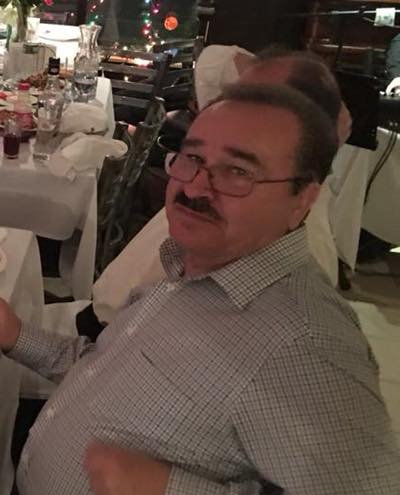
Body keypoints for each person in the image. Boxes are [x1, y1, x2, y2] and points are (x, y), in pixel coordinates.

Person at [0, 84, 400, 495]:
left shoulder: (304, 344)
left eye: (238, 171)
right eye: (192, 158)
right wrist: (20, 337)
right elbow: (107, 368)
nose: (194, 187)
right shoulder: (196, 266)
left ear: (302, 199)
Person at [92, 50, 348, 318]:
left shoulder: (294, 298)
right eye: (234, 97)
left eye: (238, 171)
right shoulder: (217, 209)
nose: (193, 189)